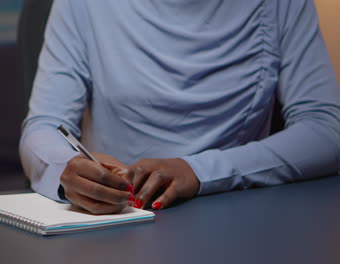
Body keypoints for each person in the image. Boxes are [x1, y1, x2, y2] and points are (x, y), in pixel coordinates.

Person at [19, 0, 340, 214]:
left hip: (236, 215)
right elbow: (45, 126)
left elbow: (327, 130)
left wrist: (200, 172)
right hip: (119, 219)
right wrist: (69, 169)